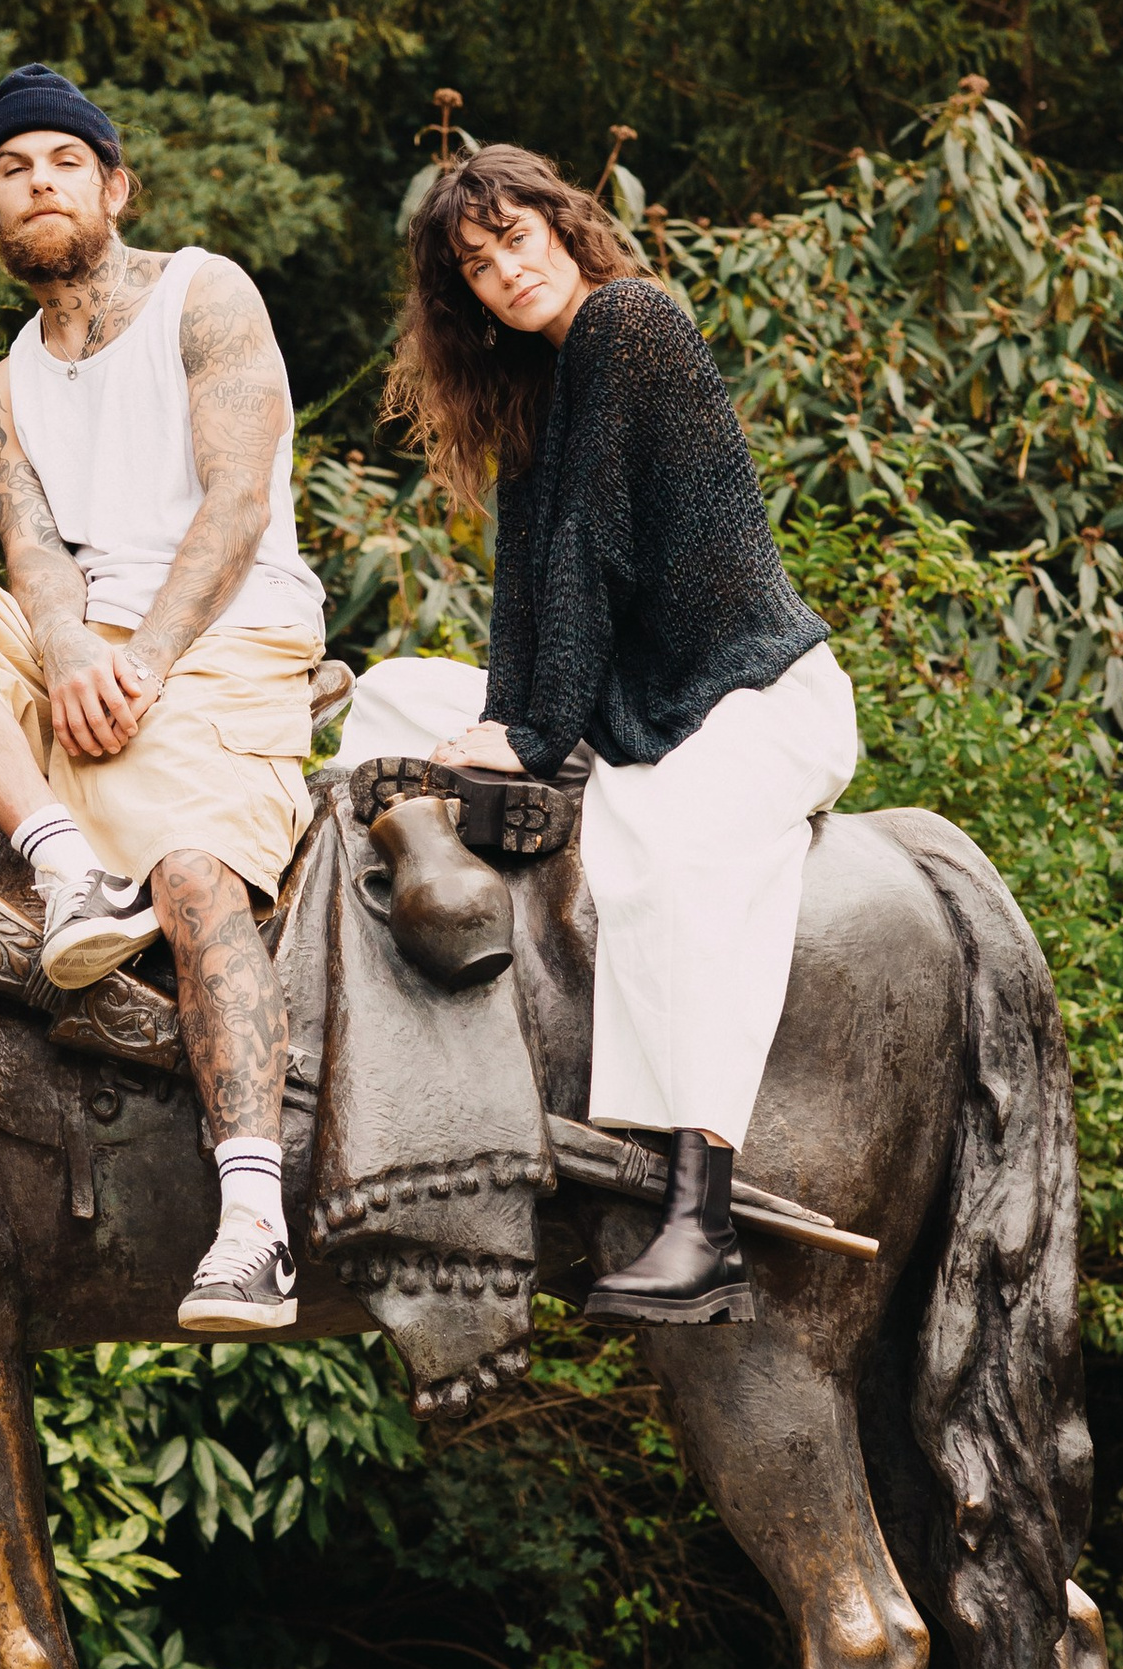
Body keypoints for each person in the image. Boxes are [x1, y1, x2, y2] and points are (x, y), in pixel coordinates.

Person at [0, 63, 328, 1337]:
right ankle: (59, 862)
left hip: (220, 635)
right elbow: (32, 554)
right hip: (86, 646)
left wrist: (144, 660)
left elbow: (235, 499)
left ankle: (254, 1223)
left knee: (196, 871)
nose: (37, 183)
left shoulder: (202, 297)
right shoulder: (2, 389)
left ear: (113, 185)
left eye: (63, 162)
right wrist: (64, 658)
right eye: (12, 170)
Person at [337, 145, 859, 1327]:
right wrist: (496, 719)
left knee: (668, 856)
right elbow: (527, 592)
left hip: (752, 700)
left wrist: (530, 739)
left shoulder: (631, 323)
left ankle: (701, 1220)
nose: (502, 273)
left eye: (516, 239)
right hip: (634, 717)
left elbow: (595, 557)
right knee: (387, 697)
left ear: (566, 229)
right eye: (474, 265)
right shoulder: (538, 390)